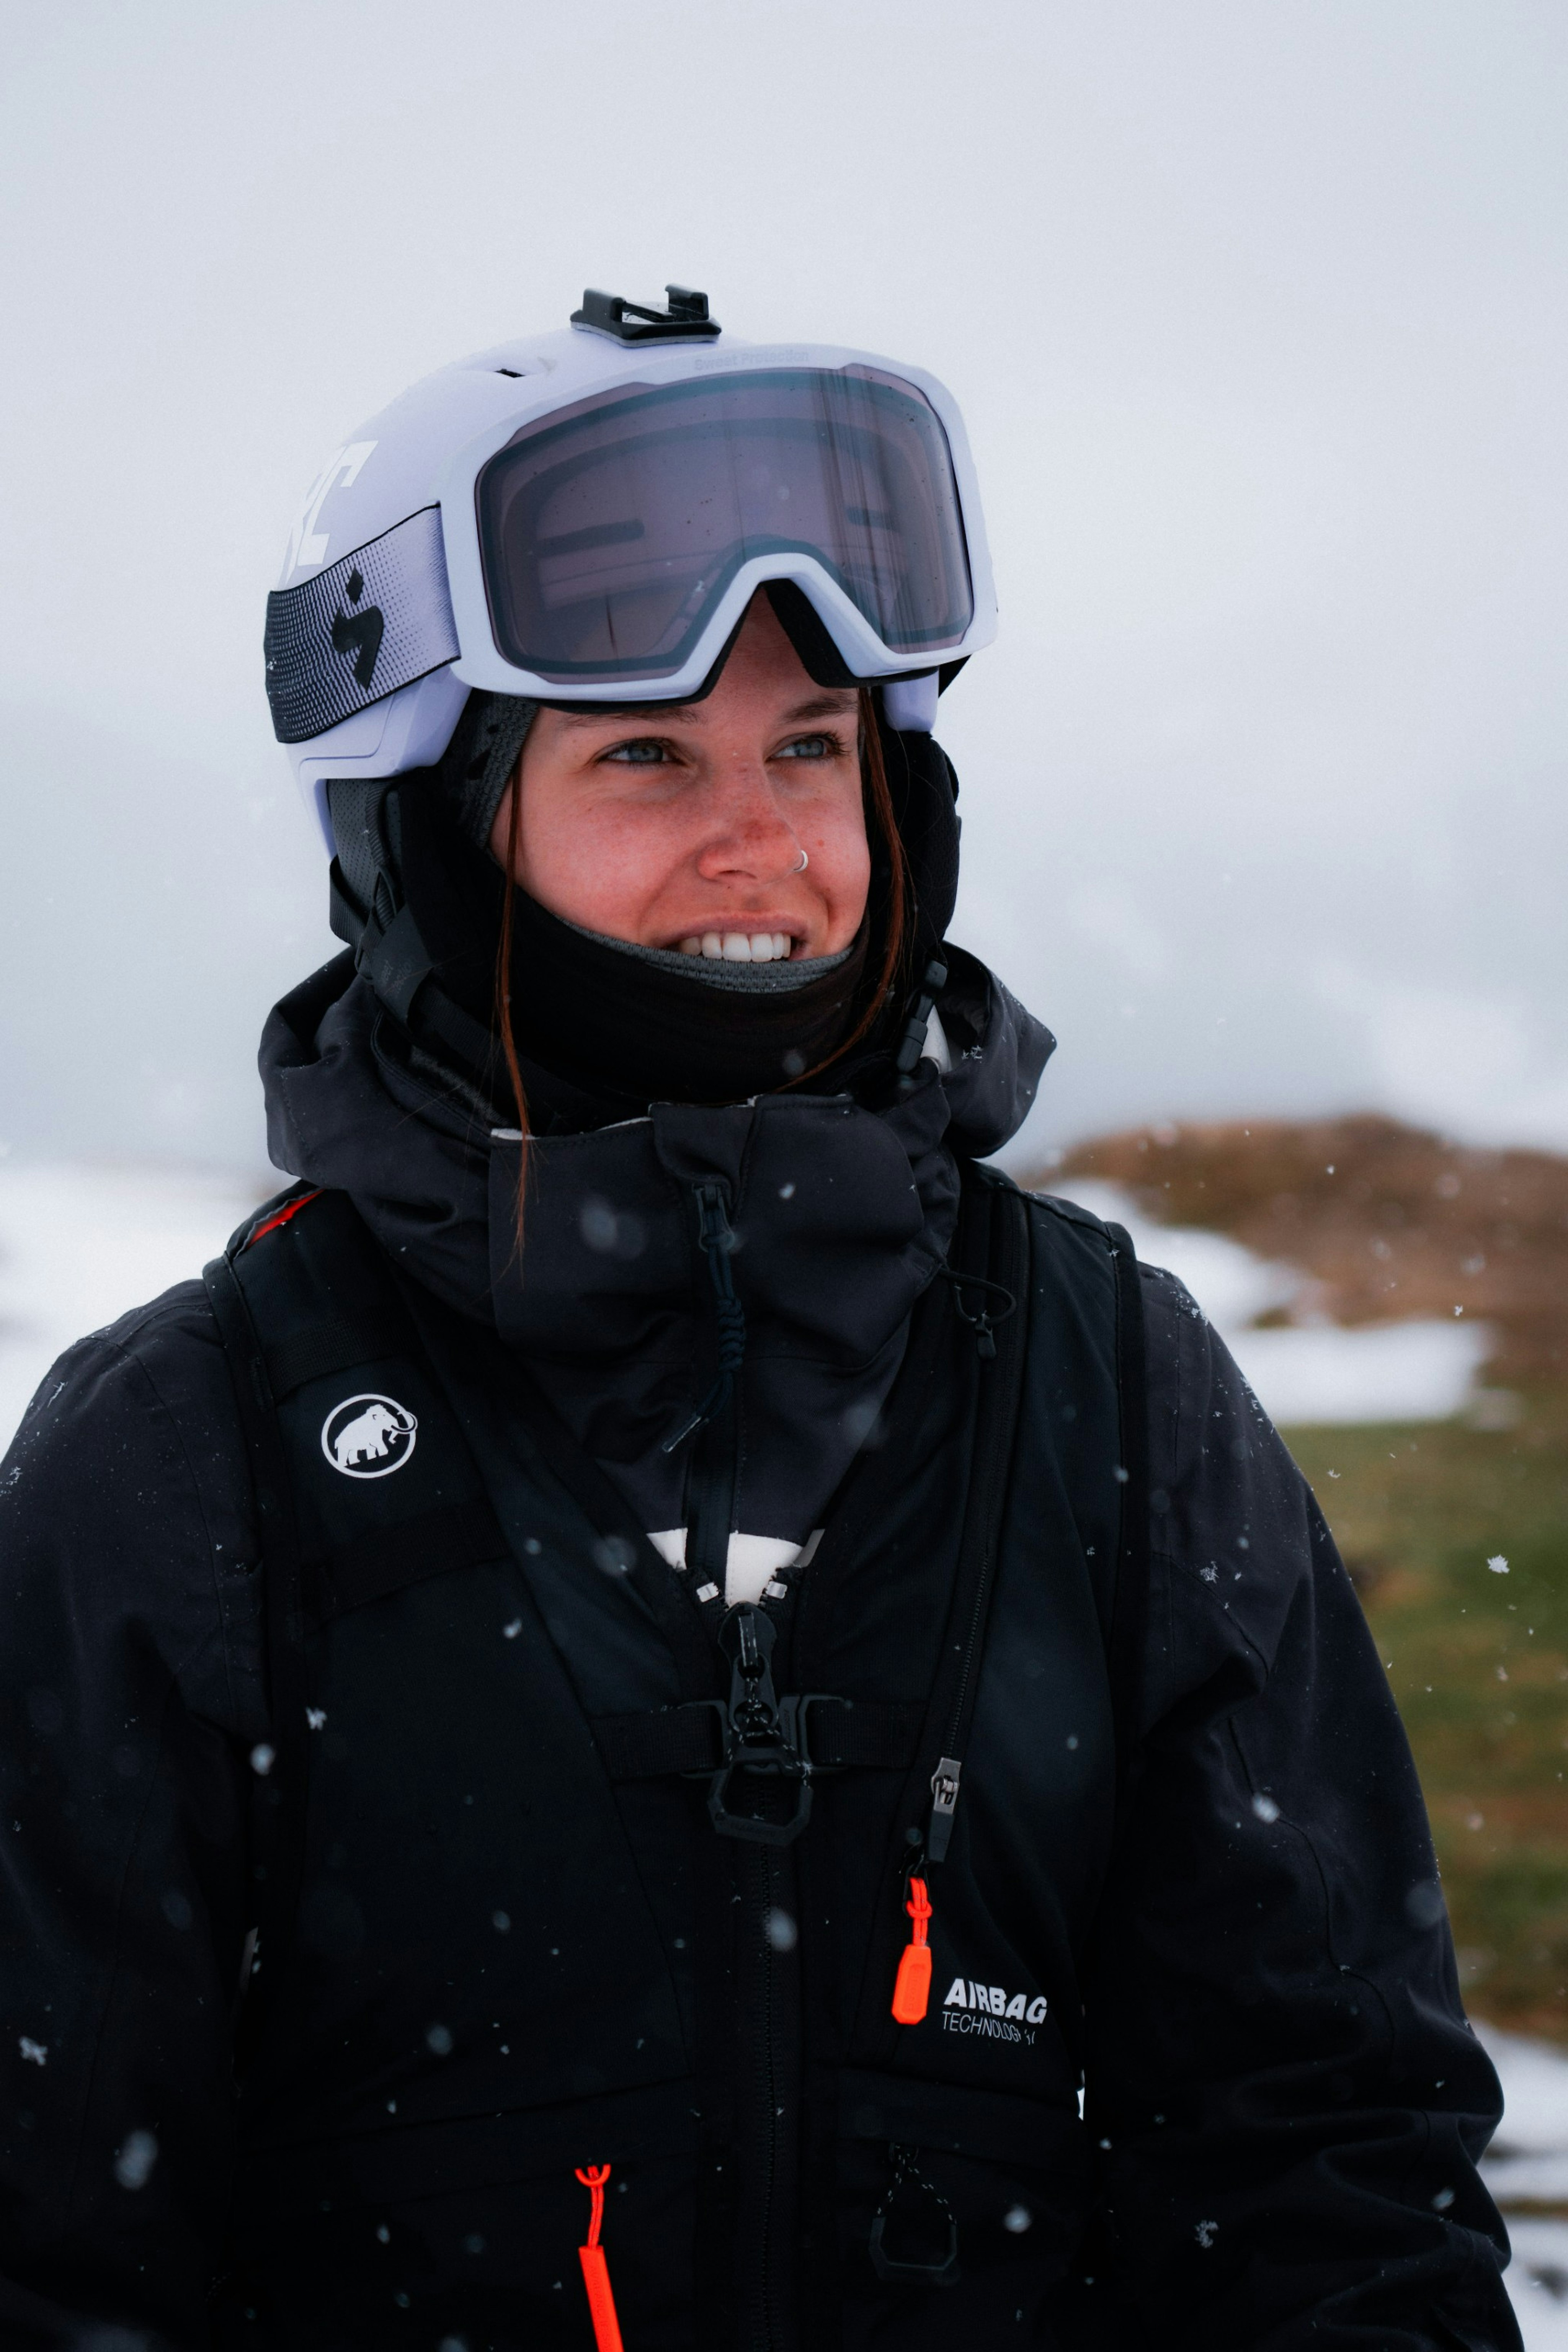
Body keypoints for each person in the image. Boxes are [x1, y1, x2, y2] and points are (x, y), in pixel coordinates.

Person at [0, 286, 1518, 2352]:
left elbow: (1333, 2170)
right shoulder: (184, 1460)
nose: (767, 839)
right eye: (648, 753)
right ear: (438, 829)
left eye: (814, 744)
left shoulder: (1109, 1392)